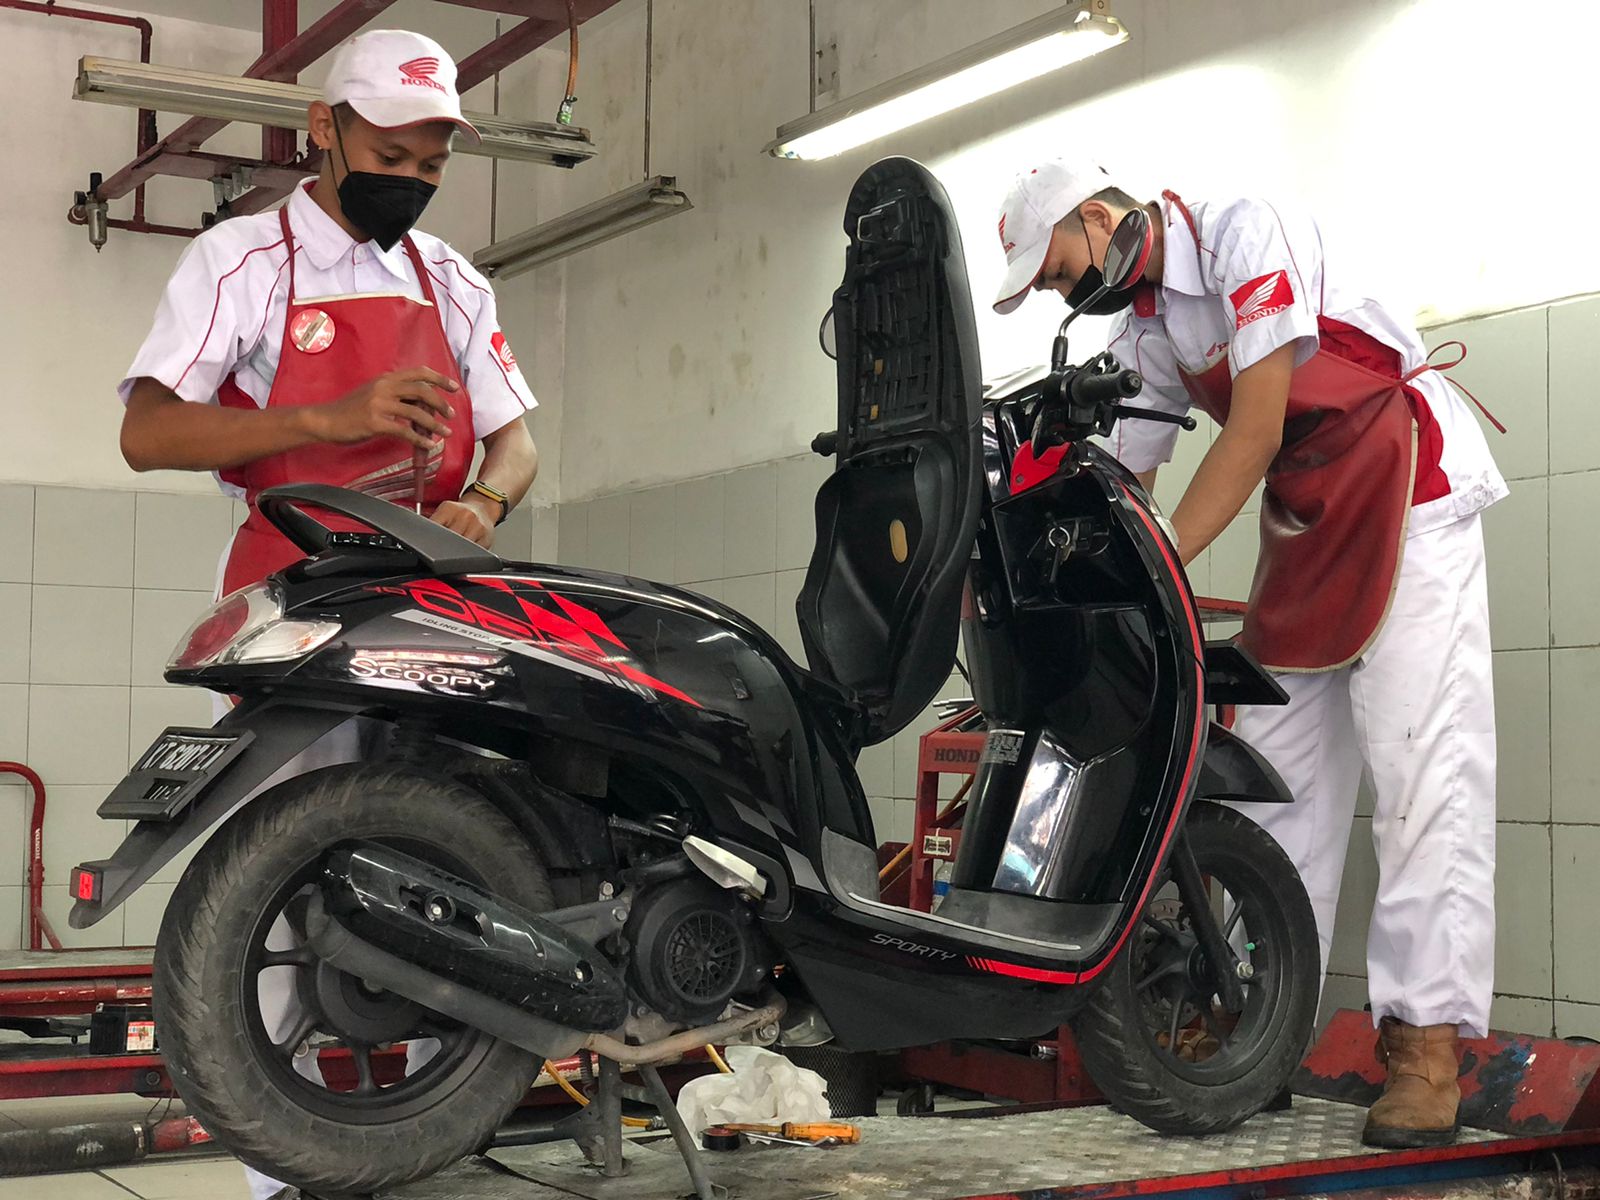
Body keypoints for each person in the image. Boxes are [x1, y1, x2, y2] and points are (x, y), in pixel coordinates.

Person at [992, 157, 1503, 1149]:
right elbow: (1128, 481)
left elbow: (1257, 427)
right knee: (1275, 783)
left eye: (1056, 271)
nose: (1061, 294)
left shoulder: (1239, 229)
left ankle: (1426, 1047)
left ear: (1096, 218)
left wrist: (1158, 569)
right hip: (1308, 514)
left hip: (1409, 486)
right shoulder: (1141, 333)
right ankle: (1262, 1030)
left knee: (1422, 776)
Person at [117, 30, 538, 1200]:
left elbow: (517, 439)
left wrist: (482, 503)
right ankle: (288, 1178)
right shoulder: (242, 261)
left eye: (432, 163)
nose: (411, 179)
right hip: (293, 610)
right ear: (325, 129)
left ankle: (423, 1145)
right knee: (276, 883)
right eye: (390, 155)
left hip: (430, 608)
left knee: (447, 872)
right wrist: (328, 417)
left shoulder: (452, 280)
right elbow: (148, 430)